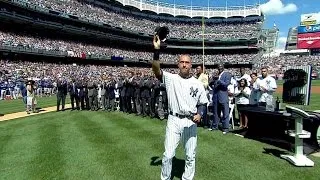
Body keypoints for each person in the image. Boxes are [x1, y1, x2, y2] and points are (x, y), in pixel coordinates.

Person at [152, 35, 208, 180]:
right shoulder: (171, 79)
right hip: (174, 120)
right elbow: (156, 71)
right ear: (178, 64)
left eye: (187, 62)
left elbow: (203, 103)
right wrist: (156, 50)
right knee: (168, 155)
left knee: (190, 156)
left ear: (191, 65)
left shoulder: (197, 84)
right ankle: (165, 178)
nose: (184, 64)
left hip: (190, 122)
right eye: (181, 62)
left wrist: (200, 114)